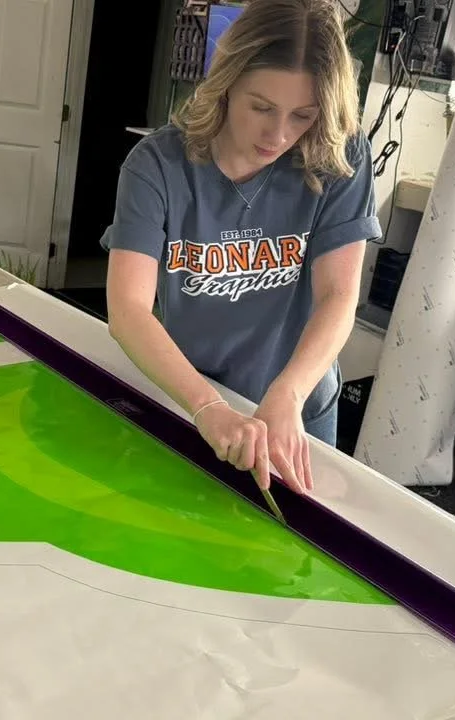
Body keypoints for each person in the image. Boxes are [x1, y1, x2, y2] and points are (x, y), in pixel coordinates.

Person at [100, 0, 381, 497]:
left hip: (298, 404)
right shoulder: (156, 166)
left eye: (302, 115)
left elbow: (339, 296)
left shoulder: (339, 153)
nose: (279, 134)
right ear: (226, 84)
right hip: (196, 397)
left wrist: (288, 395)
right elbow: (128, 310)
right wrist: (207, 407)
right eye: (261, 107)